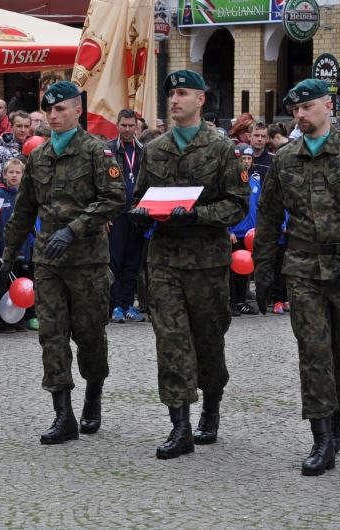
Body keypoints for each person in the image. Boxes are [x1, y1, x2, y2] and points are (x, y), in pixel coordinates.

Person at [253, 78, 340, 475]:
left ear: (327, 106)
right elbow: (267, 217)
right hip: (303, 269)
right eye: (295, 109)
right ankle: (320, 440)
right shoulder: (285, 157)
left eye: (308, 106)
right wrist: (263, 271)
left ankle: (337, 424)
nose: (300, 114)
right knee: (313, 354)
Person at [130, 70, 249, 459]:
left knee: (208, 340)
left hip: (206, 262)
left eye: (182, 93)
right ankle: (179, 426)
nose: (174, 99)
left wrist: (196, 216)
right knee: (170, 341)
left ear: (201, 99)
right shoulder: (154, 149)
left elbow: (237, 204)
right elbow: (139, 196)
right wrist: (139, 214)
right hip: (164, 259)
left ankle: (210, 406)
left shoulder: (220, 149)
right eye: (171, 94)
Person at [0, 80, 125, 444]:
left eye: (61, 109)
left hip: (87, 262)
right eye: (49, 110)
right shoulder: (38, 156)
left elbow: (115, 198)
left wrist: (73, 229)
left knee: (90, 338)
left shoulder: (96, 152)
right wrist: (8, 254)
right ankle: (63, 415)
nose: (53, 115)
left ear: (77, 111)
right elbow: (23, 211)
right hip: (48, 263)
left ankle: (93, 395)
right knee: (52, 336)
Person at [0, 158, 36, 332]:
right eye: (11, 172)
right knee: (3, 286)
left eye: (18, 172)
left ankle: (17, 319)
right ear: (4, 174)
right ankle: (3, 320)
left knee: (20, 285)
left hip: (24, 248)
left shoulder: (27, 196)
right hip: (2, 250)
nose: (14, 175)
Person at [108, 109, 146, 323]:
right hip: (116, 214)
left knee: (133, 261)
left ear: (136, 126)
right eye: (124, 125)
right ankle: (115, 306)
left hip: (137, 214)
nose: (128, 129)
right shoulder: (108, 150)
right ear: (117, 124)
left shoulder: (143, 151)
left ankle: (128, 304)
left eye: (131, 125)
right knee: (115, 261)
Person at [228, 144, 261, 316]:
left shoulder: (255, 181)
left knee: (245, 270)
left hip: (250, 235)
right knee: (233, 269)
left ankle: (241, 301)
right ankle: (232, 302)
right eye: (243, 159)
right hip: (235, 233)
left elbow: (259, 207)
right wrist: (229, 230)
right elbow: (227, 207)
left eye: (249, 159)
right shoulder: (231, 181)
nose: (246, 162)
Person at [0, 111, 31, 177]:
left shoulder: (35, 148)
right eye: (19, 126)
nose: (23, 130)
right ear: (11, 126)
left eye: (26, 126)